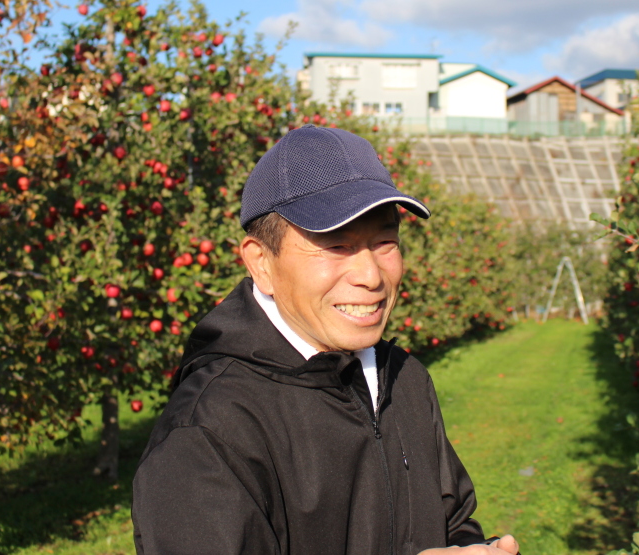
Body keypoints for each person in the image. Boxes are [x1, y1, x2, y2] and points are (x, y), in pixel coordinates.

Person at [131, 124, 519, 554]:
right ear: (261, 262)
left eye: (385, 241)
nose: (371, 276)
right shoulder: (209, 429)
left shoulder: (404, 379)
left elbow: (452, 521)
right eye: (336, 245)